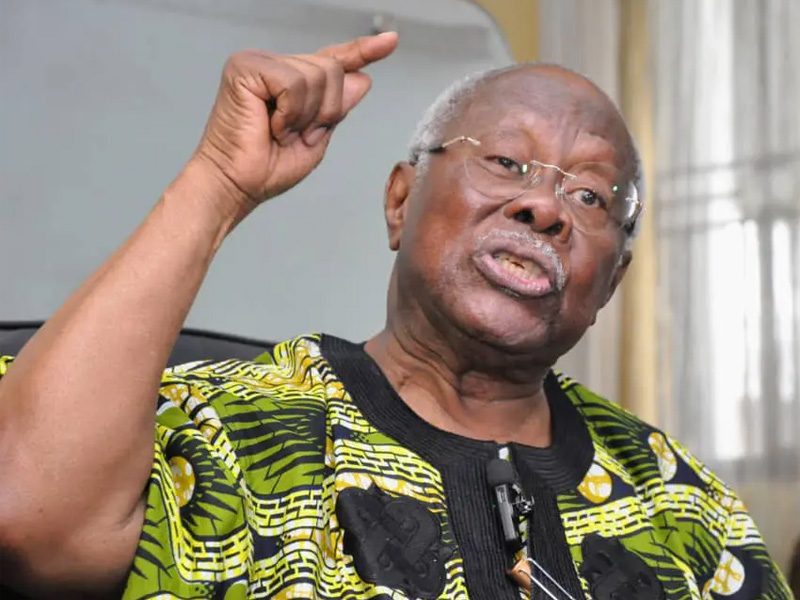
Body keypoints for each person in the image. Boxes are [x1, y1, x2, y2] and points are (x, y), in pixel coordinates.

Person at [0, 32, 791, 600]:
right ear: (400, 200)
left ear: (612, 280)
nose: (544, 206)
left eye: (589, 195)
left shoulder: (680, 502)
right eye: (506, 161)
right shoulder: (229, 429)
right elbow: (26, 513)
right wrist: (219, 181)